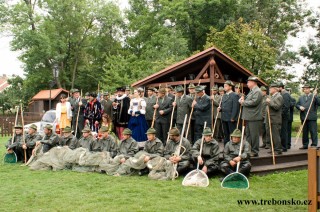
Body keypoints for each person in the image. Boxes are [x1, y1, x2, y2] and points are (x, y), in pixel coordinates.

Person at [239, 76, 263, 157]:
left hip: (254, 117)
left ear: (253, 82)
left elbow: (254, 102)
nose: (247, 83)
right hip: (249, 116)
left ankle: (255, 151)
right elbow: (250, 100)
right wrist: (243, 98)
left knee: (254, 135)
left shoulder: (257, 91)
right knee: (248, 135)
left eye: (248, 82)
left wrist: (243, 102)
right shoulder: (252, 91)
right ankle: (248, 150)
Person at [296, 84, 320, 149]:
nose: (305, 90)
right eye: (304, 89)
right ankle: (305, 145)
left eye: (307, 88)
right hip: (303, 117)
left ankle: (314, 144)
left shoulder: (314, 96)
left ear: (310, 89)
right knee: (305, 132)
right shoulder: (301, 97)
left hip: (311, 117)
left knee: (313, 131)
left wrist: (316, 96)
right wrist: (300, 107)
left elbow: (319, 103)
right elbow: (297, 104)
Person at [265, 83, 284, 155]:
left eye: (270, 88)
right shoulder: (272, 96)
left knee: (275, 135)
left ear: (275, 89)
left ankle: (278, 150)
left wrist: (270, 102)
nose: (269, 90)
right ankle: (273, 148)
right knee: (271, 135)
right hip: (270, 118)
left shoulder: (279, 97)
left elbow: (277, 107)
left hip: (275, 119)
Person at [219, 80, 239, 145]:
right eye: (224, 86)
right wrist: (220, 109)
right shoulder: (224, 95)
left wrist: (233, 117)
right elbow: (223, 106)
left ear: (230, 87)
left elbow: (235, 107)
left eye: (226, 86)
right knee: (225, 134)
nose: (224, 87)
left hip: (231, 118)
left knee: (232, 134)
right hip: (224, 117)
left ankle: (233, 148)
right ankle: (226, 148)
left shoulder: (235, 95)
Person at [278, 82, 291, 152]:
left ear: (280, 87)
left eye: (277, 87)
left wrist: (281, 114)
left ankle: (284, 147)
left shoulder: (285, 94)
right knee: (281, 131)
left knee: (284, 131)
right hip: (282, 115)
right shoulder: (281, 94)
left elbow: (286, 107)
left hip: (284, 116)